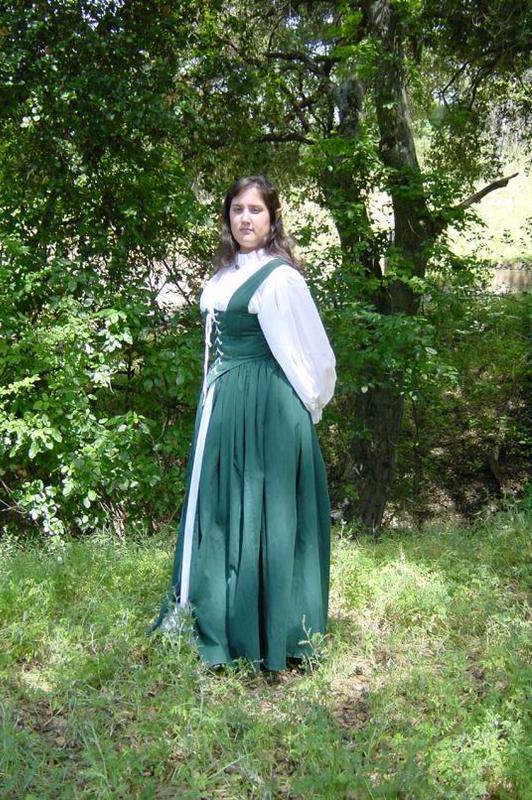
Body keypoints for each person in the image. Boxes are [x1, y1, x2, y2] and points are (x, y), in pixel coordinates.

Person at [154, 175, 336, 672]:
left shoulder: (281, 280)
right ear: (227, 218)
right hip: (224, 408)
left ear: (272, 218)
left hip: (268, 411)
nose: (246, 218)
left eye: (256, 209)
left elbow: (316, 356)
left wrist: (309, 408)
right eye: (237, 209)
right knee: (224, 509)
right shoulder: (223, 277)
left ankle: (277, 632)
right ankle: (224, 619)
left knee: (268, 512)